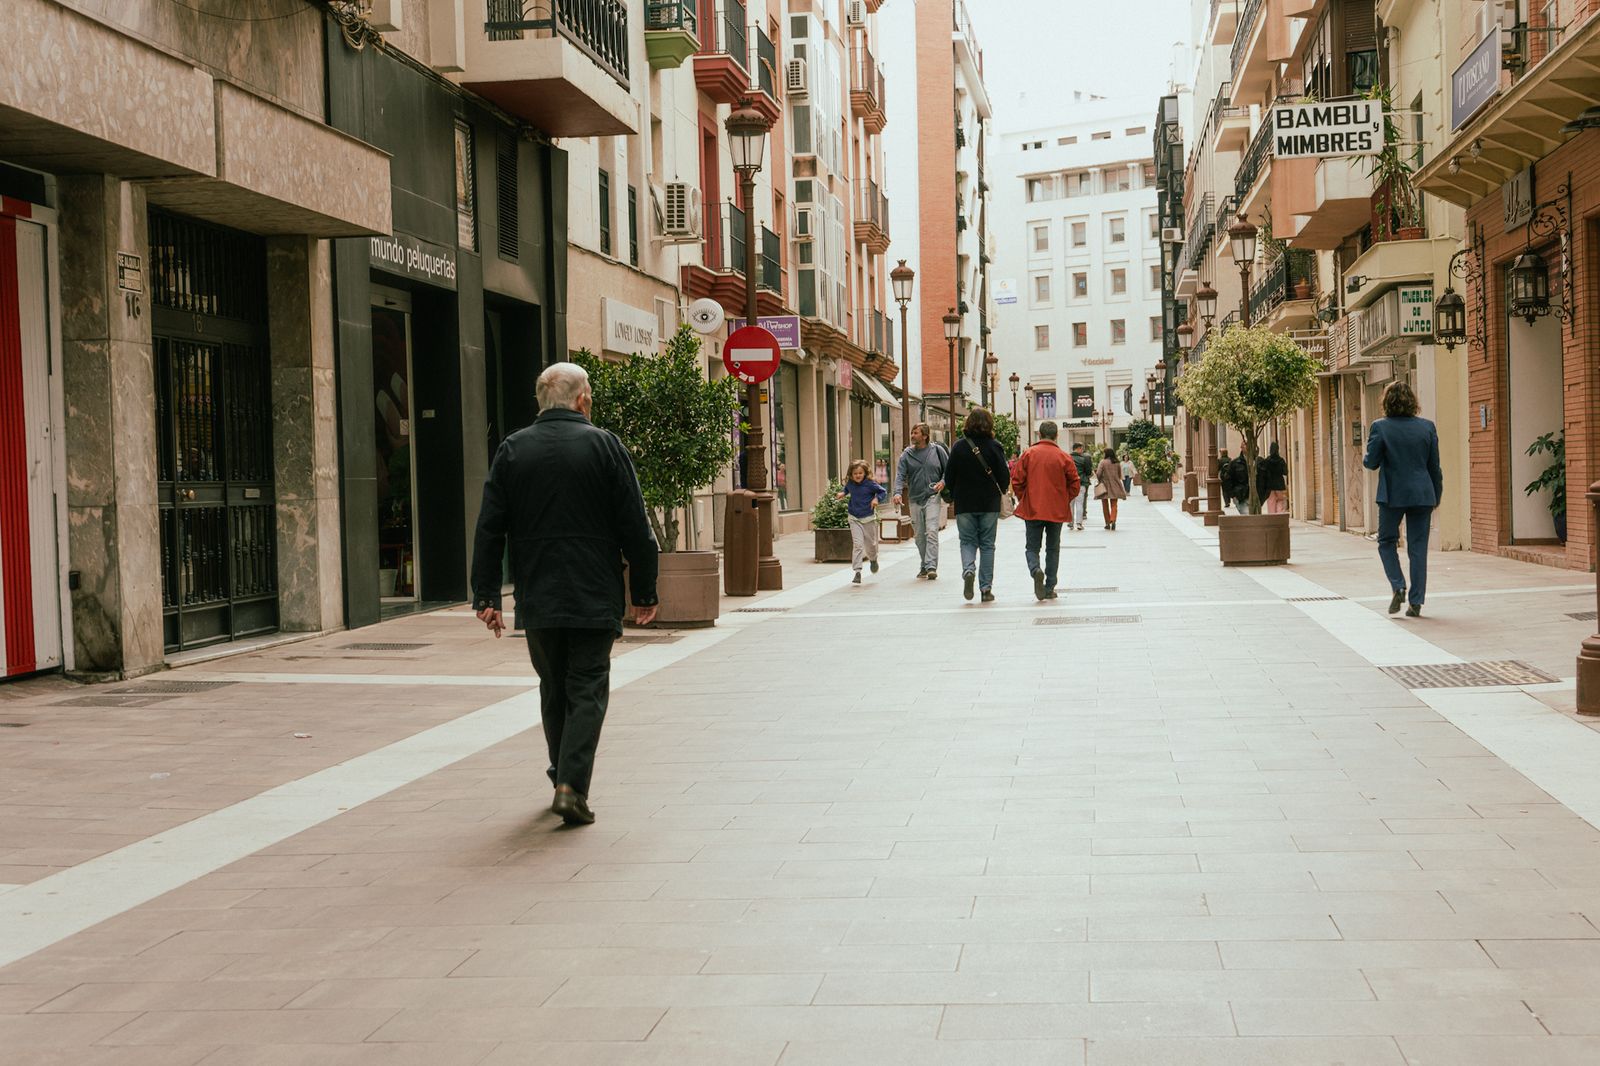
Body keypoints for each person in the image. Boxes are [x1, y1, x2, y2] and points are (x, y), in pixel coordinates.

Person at [470, 362, 659, 826]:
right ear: (583, 400)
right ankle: (571, 785)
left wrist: (487, 595)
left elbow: (490, 527)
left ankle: (562, 773)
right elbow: (636, 524)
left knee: (553, 688)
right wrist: (646, 590)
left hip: (539, 594)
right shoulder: (604, 445)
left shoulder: (513, 449)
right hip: (594, 589)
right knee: (587, 686)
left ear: (541, 401)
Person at [1363, 380, 1443, 618]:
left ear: (1386, 402)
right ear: (1412, 401)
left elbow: (1371, 462)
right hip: (1422, 494)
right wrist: (1436, 495)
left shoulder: (1380, 427)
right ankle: (1416, 602)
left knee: (1387, 542)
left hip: (1392, 495)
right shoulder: (1427, 427)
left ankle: (1398, 585)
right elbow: (1435, 467)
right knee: (1418, 548)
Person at [944, 407, 1011, 602]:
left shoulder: (958, 447)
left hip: (965, 503)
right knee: (988, 545)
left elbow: (949, 476)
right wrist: (1003, 488)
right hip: (989, 502)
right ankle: (986, 588)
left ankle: (968, 571)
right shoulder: (995, 446)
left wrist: (951, 494)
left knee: (967, 541)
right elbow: (1004, 476)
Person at [1010, 420, 1081, 600]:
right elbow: (1075, 483)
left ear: (1039, 435)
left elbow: (1017, 481)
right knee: (1053, 548)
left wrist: (1024, 498)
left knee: (1032, 547)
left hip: (1033, 508)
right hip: (1056, 510)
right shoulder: (1064, 457)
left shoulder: (1028, 454)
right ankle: (1050, 587)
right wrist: (1065, 499)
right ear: (1056, 435)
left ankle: (1035, 570)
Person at [893, 422, 948, 580]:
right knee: (919, 536)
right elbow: (900, 476)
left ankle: (931, 566)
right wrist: (897, 493)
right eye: (912, 432)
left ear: (925, 435)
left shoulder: (937, 451)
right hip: (915, 498)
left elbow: (948, 470)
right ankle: (924, 564)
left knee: (931, 531)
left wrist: (943, 482)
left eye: (916, 433)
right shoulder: (906, 455)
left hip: (932, 495)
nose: (912, 436)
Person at [837, 459, 887, 584]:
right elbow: (847, 489)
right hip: (854, 518)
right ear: (851, 475)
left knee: (871, 544)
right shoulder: (851, 483)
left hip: (868, 517)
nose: (858, 475)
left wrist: (876, 499)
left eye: (860, 473)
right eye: (855, 474)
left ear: (864, 473)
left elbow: (883, 491)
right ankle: (857, 572)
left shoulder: (870, 484)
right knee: (858, 544)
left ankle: (873, 559)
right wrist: (843, 493)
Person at [1095, 446, 1128, 530]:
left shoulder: (1103, 462)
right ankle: (1113, 520)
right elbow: (1120, 474)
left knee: (1105, 505)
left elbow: (1098, 473)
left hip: (1105, 485)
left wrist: (1099, 480)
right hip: (1115, 484)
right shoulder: (1117, 462)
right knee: (1114, 504)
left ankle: (1107, 523)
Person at [1258, 440, 1290, 514]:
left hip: (1270, 485)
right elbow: (1285, 472)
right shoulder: (1281, 460)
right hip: (1279, 485)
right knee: (1280, 500)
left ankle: (1272, 518)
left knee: (1271, 502)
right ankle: (1279, 515)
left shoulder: (1267, 461)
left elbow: (1263, 472)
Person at [1069, 442, 1094, 531]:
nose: (1082, 451)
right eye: (1081, 449)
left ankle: (1070, 522)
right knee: (1079, 503)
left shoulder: (1068, 458)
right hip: (1081, 483)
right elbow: (1088, 472)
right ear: (1078, 448)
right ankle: (1079, 523)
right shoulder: (1084, 459)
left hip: (1070, 484)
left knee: (1070, 504)